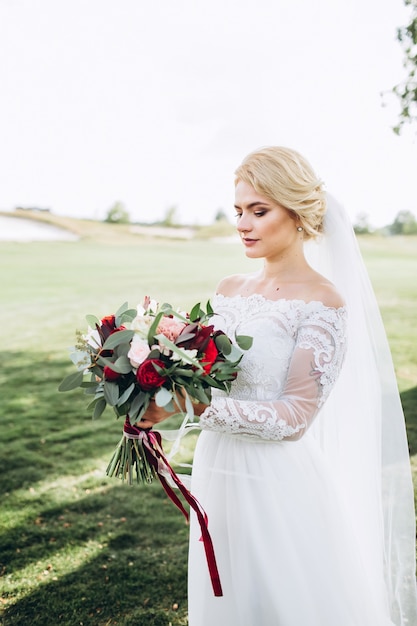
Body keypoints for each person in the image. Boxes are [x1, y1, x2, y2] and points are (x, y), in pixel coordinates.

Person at [140, 146, 417, 625]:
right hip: (217, 468)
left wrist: (192, 408)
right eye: (239, 211)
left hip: (275, 478)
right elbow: (202, 373)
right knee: (230, 598)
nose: (243, 224)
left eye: (259, 211)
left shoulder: (323, 303)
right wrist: (155, 387)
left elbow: (295, 417)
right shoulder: (228, 289)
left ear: (297, 213)